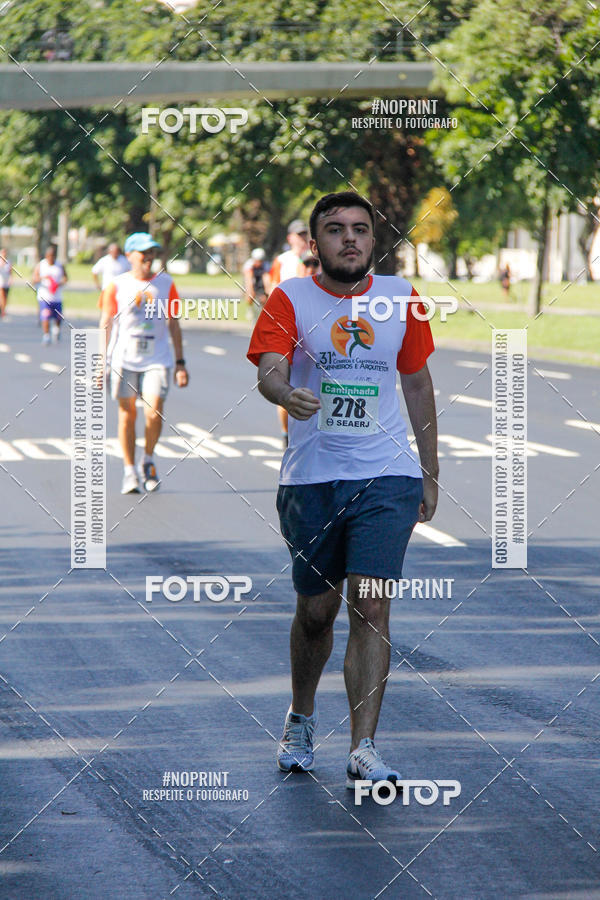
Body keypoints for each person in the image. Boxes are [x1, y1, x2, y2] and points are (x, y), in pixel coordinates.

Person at [247, 191, 438, 788]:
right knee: (316, 611)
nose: (349, 239)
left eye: (360, 229)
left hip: (387, 476)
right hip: (313, 479)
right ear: (314, 242)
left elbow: (417, 384)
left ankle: (364, 747)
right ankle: (301, 717)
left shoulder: (402, 298)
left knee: (373, 604)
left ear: (373, 241)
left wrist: (429, 471)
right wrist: (284, 394)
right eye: (335, 229)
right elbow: (269, 368)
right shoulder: (290, 298)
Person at [99, 232, 189, 494]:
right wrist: (100, 362)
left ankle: (147, 459)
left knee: (154, 411)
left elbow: (174, 324)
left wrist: (181, 362)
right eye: (143, 253)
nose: (149, 257)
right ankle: (129, 470)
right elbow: (105, 323)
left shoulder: (166, 284)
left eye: (152, 252)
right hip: (124, 358)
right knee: (127, 414)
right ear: (130, 256)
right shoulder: (116, 285)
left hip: (157, 358)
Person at [268, 220, 311, 448]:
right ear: (290, 238)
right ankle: (287, 433)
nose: (302, 238)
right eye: (298, 235)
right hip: (288, 326)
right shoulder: (282, 261)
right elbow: (272, 288)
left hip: (313, 326)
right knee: (286, 381)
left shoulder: (318, 257)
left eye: (305, 234)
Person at [33, 245, 67, 344]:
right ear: (46, 256)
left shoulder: (59, 265)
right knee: (45, 315)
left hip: (57, 296)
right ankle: (46, 335)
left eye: (53, 256)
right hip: (44, 296)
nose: (51, 258)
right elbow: (34, 278)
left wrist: (59, 283)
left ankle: (56, 329)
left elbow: (66, 278)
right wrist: (44, 278)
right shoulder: (41, 265)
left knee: (58, 317)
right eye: (49, 256)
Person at [92, 242, 130, 308]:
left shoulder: (124, 260)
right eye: (113, 252)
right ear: (109, 252)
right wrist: (97, 284)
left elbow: (130, 271)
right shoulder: (104, 260)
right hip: (107, 289)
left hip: (121, 290)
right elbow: (94, 271)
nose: (115, 254)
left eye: (116, 252)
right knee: (106, 309)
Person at [243, 247, 269, 323]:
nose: (259, 262)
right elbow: (249, 281)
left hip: (261, 279)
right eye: (257, 260)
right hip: (252, 278)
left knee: (265, 297)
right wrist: (251, 292)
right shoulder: (248, 265)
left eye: (260, 261)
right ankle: (250, 308)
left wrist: (266, 293)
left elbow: (266, 278)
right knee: (250, 294)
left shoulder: (266, 265)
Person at [0, 248, 11, 317]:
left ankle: (3, 309)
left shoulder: (8, 261)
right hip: (0, 281)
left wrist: (11, 279)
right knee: (2, 296)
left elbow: (10, 272)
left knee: (6, 297)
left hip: (6, 281)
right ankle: (3, 311)